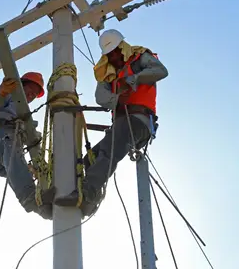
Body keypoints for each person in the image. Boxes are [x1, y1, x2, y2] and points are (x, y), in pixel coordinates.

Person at [55, 29, 168, 210]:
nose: (114, 57)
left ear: (123, 48)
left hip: (138, 121)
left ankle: (87, 194)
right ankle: (86, 199)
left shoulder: (139, 58)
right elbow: (100, 96)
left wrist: (132, 79)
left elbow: (161, 71)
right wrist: (116, 99)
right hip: (122, 123)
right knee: (90, 159)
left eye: (116, 52)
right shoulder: (107, 72)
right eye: (110, 54)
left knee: (108, 151)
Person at [0, 72, 53, 219]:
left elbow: (31, 138)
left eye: (35, 94)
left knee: (14, 166)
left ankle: (40, 204)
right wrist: (2, 91)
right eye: (30, 90)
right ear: (22, 85)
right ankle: (30, 198)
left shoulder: (24, 114)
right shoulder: (10, 95)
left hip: (7, 149)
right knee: (12, 156)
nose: (32, 95)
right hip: (2, 139)